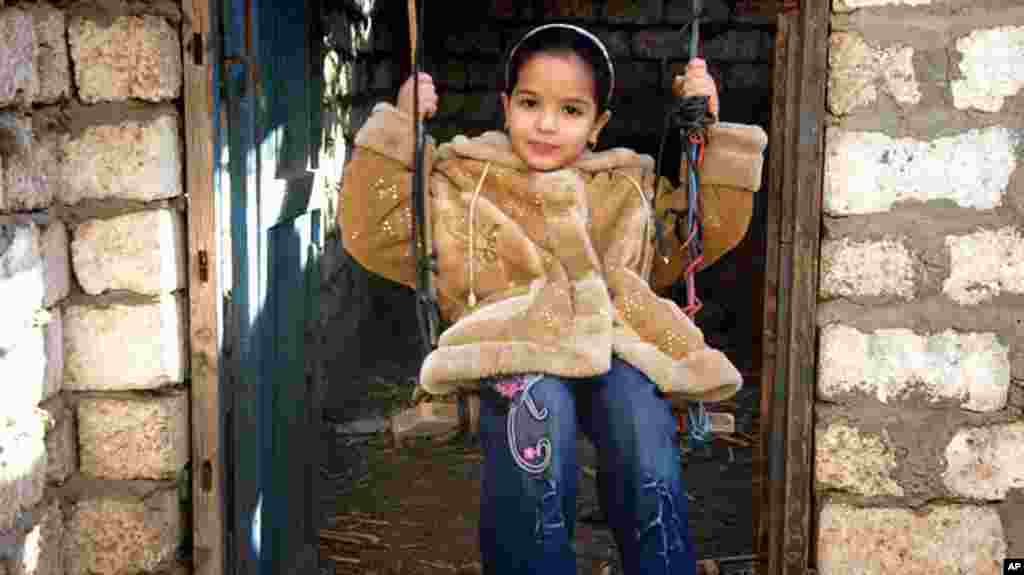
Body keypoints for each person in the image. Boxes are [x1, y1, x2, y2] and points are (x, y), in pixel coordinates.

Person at [339, 23, 766, 575]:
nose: (546, 123)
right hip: (511, 349)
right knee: (537, 416)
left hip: (616, 349)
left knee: (642, 429)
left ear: (597, 125)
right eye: (530, 103)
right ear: (505, 105)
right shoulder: (462, 184)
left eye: (570, 110)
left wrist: (705, 124)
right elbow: (370, 232)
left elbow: (699, 238)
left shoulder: (626, 188)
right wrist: (401, 125)